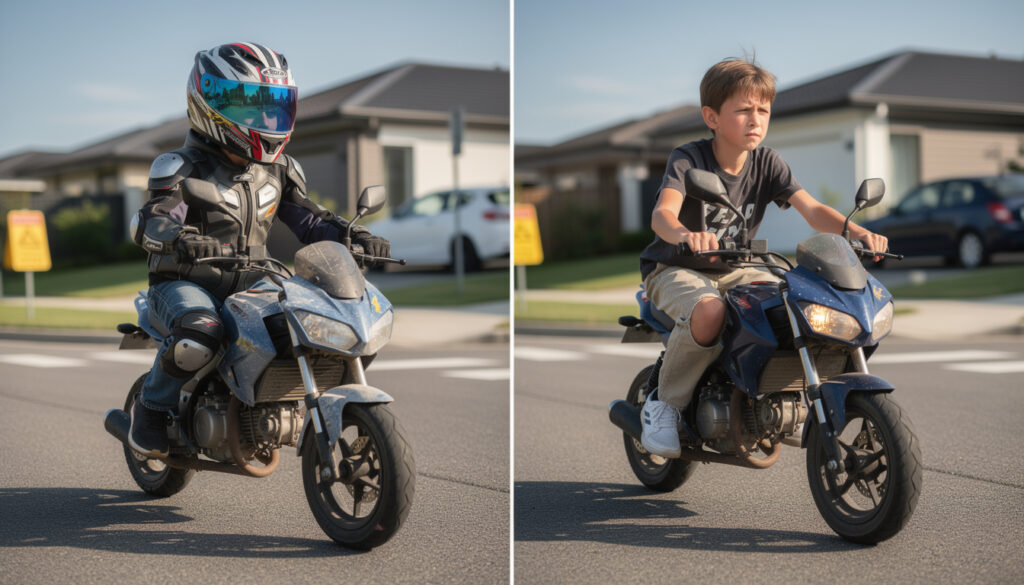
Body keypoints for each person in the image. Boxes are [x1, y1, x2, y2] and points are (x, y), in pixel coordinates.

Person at [127, 42, 390, 458]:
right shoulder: (180, 167)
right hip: (184, 281)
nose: (265, 119)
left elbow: (311, 222)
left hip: (254, 279)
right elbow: (152, 219)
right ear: (210, 104)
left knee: (319, 320)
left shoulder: (280, 170)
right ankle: (152, 409)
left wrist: (352, 236)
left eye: (273, 106)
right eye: (249, 107)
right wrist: (181, 238)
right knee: (199, 332)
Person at [638, 58, 888, 458]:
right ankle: (664, 405)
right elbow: (662, 215)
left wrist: (856, 231)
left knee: (798, 302)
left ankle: (782, 392)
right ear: (712, 117)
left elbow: (812, 209)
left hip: (738, 268)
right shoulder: (689, 159)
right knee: (709, 311)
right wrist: (686, 235)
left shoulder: (767, 162)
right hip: (675, 267)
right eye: (743, 110)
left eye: (763, 110)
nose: (755, 119)